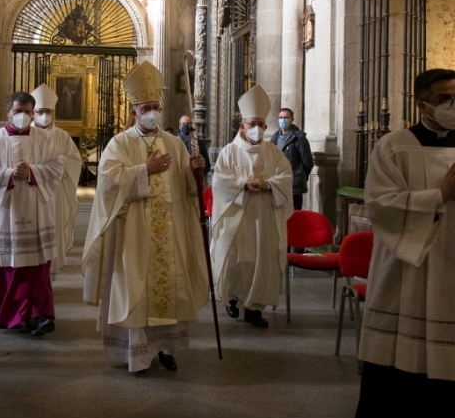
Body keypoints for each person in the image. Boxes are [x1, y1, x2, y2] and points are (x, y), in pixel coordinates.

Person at [82, 61, 209, 373]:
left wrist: (197, 172)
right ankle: (136, 353)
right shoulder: (119, 144)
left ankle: (165, 348)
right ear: (134, 110)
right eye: (146, 107)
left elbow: (190, 191)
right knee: (137, 291)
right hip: (134, 234)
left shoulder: (176, 144)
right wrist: (144, 170)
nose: (152, 112)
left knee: (170, 288)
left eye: (156, 106)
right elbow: (108, 185)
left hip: (172, 230)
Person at [351, 69, 455, 418]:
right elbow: (380, 206)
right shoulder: (393, 146)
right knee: (400, 380)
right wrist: (438, 196)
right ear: (422, 103)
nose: (452, 106)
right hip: (407, 273)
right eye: (445, 99)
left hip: (451, 272)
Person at [0, 92, 65, 337]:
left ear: (33, 114)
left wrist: (31, 172)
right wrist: (9, 175)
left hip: (35, 209)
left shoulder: (44, 138)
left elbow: (56, 167)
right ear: (7, 112)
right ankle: (13, 313)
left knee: (36, 267)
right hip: (3, 210)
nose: (22, 116)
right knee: (7, 265)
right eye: (17, 111)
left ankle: (37, 314)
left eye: (27, 111)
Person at [211, 85, 293, 328]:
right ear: (242, 126)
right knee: (238, 259)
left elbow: (286, 177)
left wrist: (268, 185)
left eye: (260, 124)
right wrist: (243, 184)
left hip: (264, 217)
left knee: (261, 259)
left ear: (266, 127)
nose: (256, 128)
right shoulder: (229, 152)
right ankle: (233, 300)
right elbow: (219, 181)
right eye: (251, 124)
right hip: (236, 216)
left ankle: (254, 308)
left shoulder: (275, 153)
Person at [31, 84, 82, 274]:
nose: (44, 115)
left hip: (55, 192)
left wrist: (58, 161)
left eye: (48, 111)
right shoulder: (24, 134)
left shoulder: (62, 136)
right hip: (32, 191)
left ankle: (51, 268)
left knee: (53, 228)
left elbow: (75, 160)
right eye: (40, 111)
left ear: (53, 112)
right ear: (33, 113)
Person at [270, 108, 313, 210]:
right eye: (281, 117)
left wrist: (300, 175)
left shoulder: (299, 138)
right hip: (278, 183)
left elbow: (308, 162)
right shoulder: (275, 137)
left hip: (294, 184)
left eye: (286, 117)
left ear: (292, 119)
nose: (283, 120)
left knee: (294, 214)